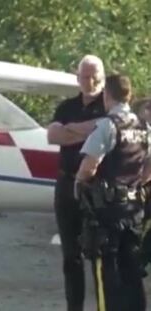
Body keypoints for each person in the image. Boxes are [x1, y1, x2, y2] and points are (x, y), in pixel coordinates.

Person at [75, 74, 150, 311]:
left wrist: (79, 184)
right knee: (132, 270)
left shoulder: (108, 125)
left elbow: (89, 166)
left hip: (107, 212)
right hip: (134, 209)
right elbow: (148, 169)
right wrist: (136, 183)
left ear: (107, 95)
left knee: (106, 271)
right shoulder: (143, 127)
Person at [47, 55, 106, 311]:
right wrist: (90, 129)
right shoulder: (67, 106)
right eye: (85, 76)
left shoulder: (108, 107)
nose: (90, 81)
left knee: (98, 254)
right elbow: (52, 136)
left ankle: (103, 305)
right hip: (66, 184)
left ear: (103, 77)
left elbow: (106, 129)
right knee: (70, 254)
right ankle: (75, 307)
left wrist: (70, 130)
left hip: (96, 187)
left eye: (95, 76)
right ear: (77, 77)